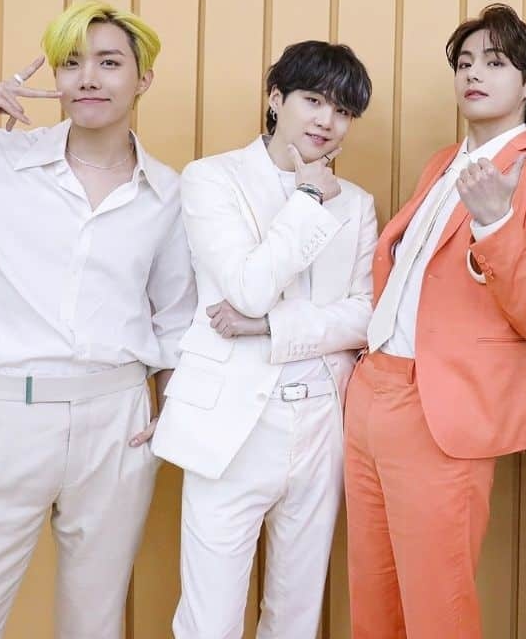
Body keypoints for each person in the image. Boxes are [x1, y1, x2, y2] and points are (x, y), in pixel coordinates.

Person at [0, 0, 195, 639]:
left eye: (109, 63)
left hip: (119, 426)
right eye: (71, 64)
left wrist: (170, 413)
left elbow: (175, 319)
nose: (88, 78)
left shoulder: (167, 193)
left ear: (144, 78)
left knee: (94, 620)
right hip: (4, 422)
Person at [344, 3, 526, 638]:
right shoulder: (441, 162)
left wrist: (497, 223)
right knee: (373, 597)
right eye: (466, 62)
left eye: (495, 63)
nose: (474, 73)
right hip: (372, 391)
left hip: (440, 408)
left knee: (437, 606)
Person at [151, 41, 377, 638]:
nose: (327, 121)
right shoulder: (212, 178)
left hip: (321, 423)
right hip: (230, 425)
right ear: (276, 98)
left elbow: (365, 315)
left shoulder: (357, 205)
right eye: (314, 101)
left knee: (296, 616)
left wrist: (274, 327)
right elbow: (249, 289)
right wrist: (308, 198)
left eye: (343, 111)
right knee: (210, 620)